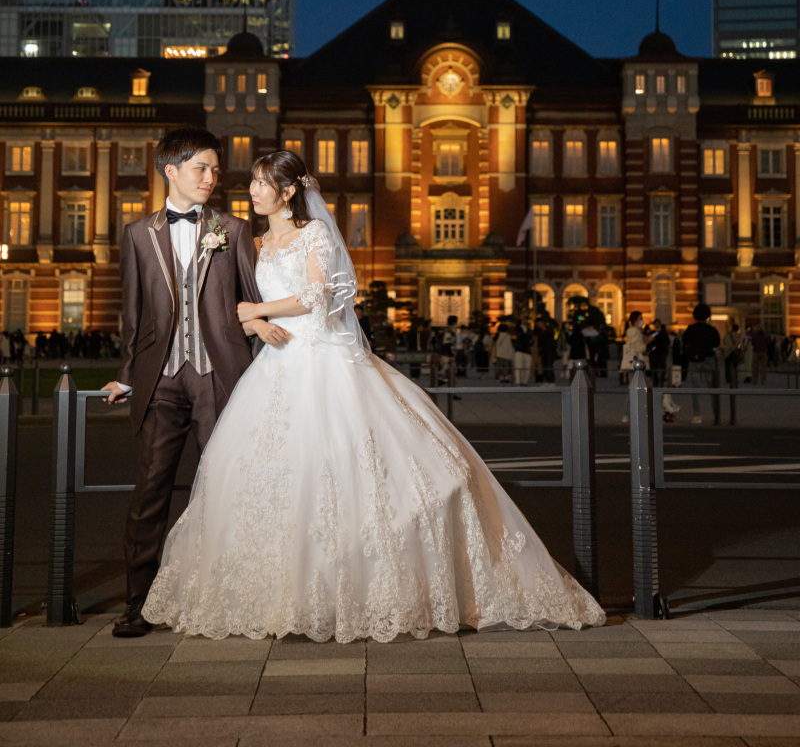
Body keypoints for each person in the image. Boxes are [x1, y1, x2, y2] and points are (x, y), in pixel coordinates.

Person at [143, 150, 604, 640]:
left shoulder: (314, 234)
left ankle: (357, 587)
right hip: (274, 367)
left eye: (261, 183)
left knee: (352, 472)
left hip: (321, 361)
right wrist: (254, 318)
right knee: (265, 478)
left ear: (289, 190)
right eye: (253, 182)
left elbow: (319, 296)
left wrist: (256, 306)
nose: (252, 190)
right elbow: (230, 302)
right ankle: (281, 595)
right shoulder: (256, 241)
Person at [100, 127, 288, 638]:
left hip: (219, 379)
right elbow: (133, 316)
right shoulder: (138, 234)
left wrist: (257, 370)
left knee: (231, 489)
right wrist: (126, 376)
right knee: (151, 490)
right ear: (171, 171)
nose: (212, 177)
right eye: (201, 168)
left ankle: (237, 596)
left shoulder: (233, 228)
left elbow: (253, 297)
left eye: (214, 168)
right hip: (160, 381)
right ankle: (138, 601)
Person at [682, 302, 721, 423]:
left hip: (694, 361)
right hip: (709, 360)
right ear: (708, 316)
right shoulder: (712, 330)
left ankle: (697, 415)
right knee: (713, 390)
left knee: (695, 390)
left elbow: (685, 342)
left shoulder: (690, 329)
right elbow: (717, 343)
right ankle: (715, 414)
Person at [513, 318, 532, 385]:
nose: (525, 320)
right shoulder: (519, 328)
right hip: (519, 349)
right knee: (518, 366)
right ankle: (518, 382)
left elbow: (531, 339)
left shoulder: (529, 330)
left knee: (527, 367)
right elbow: (517, 327)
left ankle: (525, 382)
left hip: (527, 350)